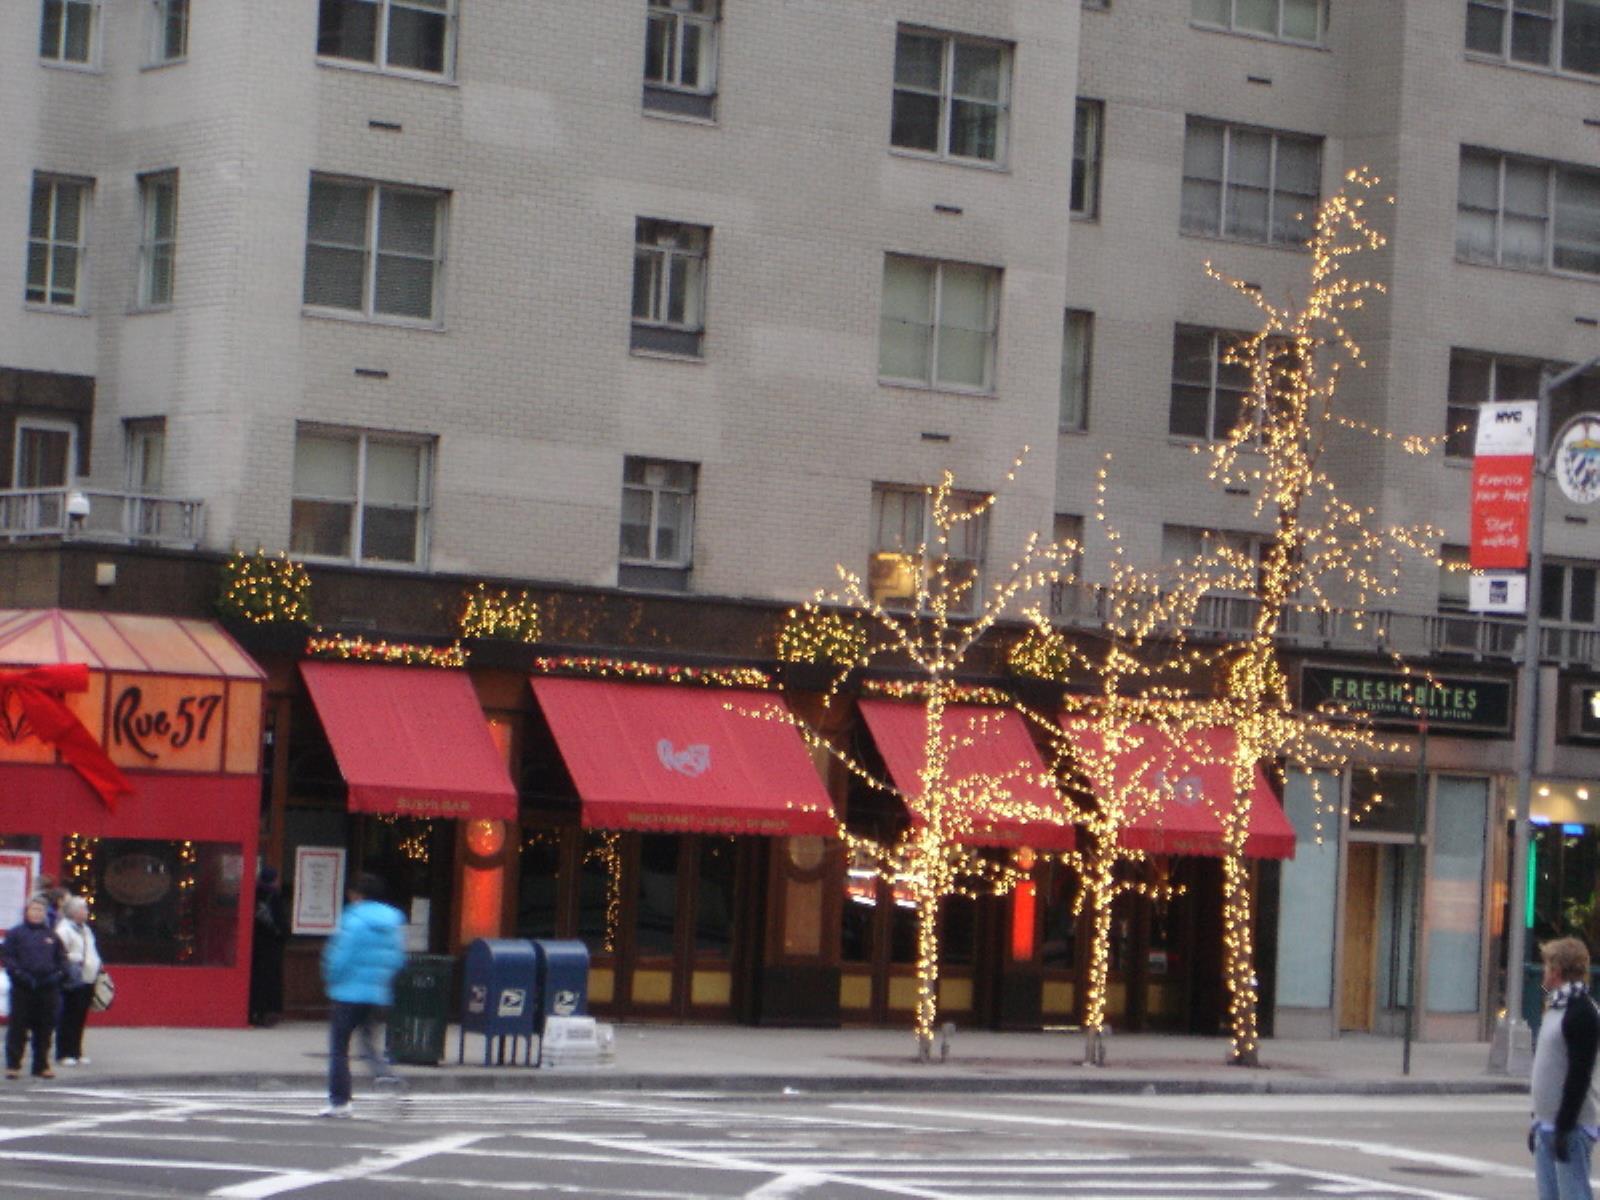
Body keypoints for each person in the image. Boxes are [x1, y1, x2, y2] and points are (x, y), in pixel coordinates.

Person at [319, 872, 405, 1117]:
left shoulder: (353, 919)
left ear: (357, 894)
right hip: (378, 993)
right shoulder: (393, 922)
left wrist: (330, 978)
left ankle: (340, 1101)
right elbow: (397, 958)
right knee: (368, 1042)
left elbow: (340, 957)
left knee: (339, 1048)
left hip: (348, 993)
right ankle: (385, 1076)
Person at [1530, 936, 1600, 1200]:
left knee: (1574, 1195)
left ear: (1557, 971)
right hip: (1547, 1125)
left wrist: (1565, 1126)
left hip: (1571, 1126)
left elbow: (1579, 1075)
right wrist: (1536, 1120)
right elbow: (1550, 1069)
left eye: (1547, 966)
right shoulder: (1555, 1008)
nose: (1544, 973)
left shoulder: (1583, 1012)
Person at [0, 897, 66, 1080]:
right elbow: (8, 957)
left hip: (47, 988)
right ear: (26, 912)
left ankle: (41, 1065)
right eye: (34, 909)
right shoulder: (16, 934)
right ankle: (13, 1065)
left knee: (44, 1028)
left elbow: (62, 959)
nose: (37, 913)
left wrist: (57, 975)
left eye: (40, 910)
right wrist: (19, 975)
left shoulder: (52, 936)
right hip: (23, 987)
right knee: (18, 1027)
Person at [54, 896, 101, 1066]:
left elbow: (92, 950)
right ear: (74, 912)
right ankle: (63, 1053)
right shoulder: (64, 930)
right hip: (72, 978)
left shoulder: (86, 930)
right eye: (83, 909)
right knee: (68, 1015)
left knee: (80, 1016)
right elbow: (59, 954)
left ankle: (76, 1051)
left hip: (88, 978)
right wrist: (75, 958)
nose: (87, 912)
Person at [249, 867, 288, 1027]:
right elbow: (281, 924)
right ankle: (266, 1014)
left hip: (254, 946)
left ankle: (253, 1012)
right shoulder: (275, 897)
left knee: (256, 980)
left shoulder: (253, 895)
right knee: (269, 982)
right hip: (271, 946)